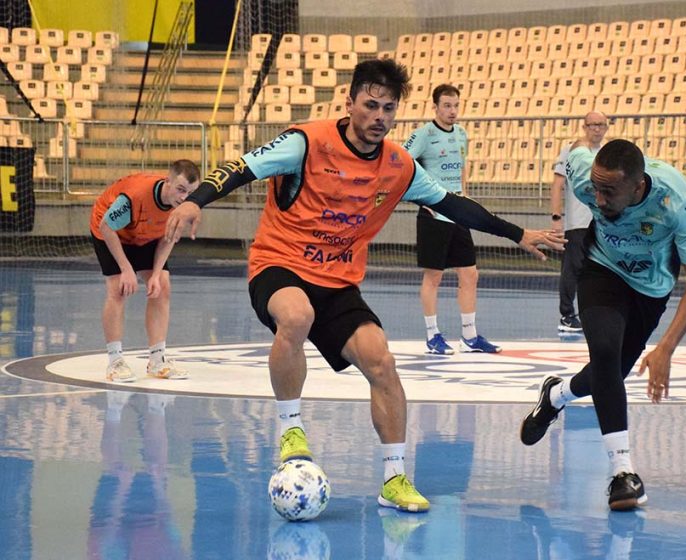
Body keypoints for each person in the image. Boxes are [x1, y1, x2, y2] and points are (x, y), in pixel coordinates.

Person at [164, 59, 563, 513]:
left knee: (382, 361)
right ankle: (290, 429)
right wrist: (196, 202)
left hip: (337, 281)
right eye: (370, 105)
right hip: (280, 265)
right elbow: (240, 168)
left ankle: (394, 480)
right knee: (296, 315)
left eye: (388, 109)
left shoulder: (398, 166)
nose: (378, 116)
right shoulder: (305, 143)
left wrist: (519, 233)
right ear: (349, 102)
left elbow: (453, 204)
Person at [520, 139, 686, 511]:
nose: (599, 200)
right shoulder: (584, 176)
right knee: (605, 355)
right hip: (601, 271)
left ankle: (556, 395)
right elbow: (574, 152)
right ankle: (623, 473)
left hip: (650, 290)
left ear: (638, 187)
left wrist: (666, 347)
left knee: (612, 374)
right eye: (595, 189)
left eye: (609, 192)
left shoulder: (676, 202)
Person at [403, 84, 499, 355]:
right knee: (434, 276)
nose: (452, 110)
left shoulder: (461, 134)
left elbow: (462, 166)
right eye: (446, 105)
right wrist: (423, 199)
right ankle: (432, 335)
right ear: (435, 107)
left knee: (470, 273)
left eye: (456, 105)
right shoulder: (423, 135)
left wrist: (464, 198)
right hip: (433, 213)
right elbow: (401, 168)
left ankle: (469, 335)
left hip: (457, 212)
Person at [89, 160, 201, 383]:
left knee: (163, 287)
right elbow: (106, 227)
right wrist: (126, 268)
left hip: (146, 233)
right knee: (118, 288)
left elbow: (168, 239)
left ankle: (157, 360)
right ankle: (115, 361)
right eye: (180, 190)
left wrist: (157, 274)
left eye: (190, 193)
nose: (184, 198)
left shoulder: (184, 207)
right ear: (167, 182)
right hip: (112, 232)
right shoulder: (135, 196)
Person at [550, 112, 608, 335]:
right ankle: (566, 316)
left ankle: (595, 313)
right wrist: (557, 217)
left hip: (602, 222)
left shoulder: (607, 153)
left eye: (600, 125)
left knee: (600, 270)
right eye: (592, 125)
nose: (596, 129)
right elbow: (557, 184)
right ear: (584, 127)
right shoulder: (571, 151)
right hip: (578, 222)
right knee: (572, 269)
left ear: (606, 127)